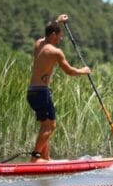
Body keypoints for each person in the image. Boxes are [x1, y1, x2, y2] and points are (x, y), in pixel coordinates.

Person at [27, 13, 91, 161]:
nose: (60, 39)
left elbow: (47, 33)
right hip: (42, 92)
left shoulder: (38, 44)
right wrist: (84, 71)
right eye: (59, 36)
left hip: (31, 91)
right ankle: (35, 157)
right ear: (53, 34)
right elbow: (69, 71)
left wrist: (58, 22)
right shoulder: (55, 52)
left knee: (45, 125)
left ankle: (45, 158)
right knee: (51, 126)